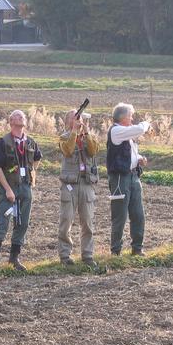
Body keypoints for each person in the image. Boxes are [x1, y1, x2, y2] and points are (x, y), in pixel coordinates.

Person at [0, 109, 42, 272]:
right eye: (16, 116)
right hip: (9, 187)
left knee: (23, 223)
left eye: (22, 116)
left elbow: (37, 159)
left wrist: (32, 174)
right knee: (3, 222)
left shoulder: (30, 142)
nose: (20, 117)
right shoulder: (2, 142)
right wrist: (8, 189)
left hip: (25, 187)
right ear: (10, 122)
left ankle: (14, 258)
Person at [106, 103, 151, 256]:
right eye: (130, 116)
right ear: (123, 117)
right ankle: (116, 251)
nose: (132, 119)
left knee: (138, 214)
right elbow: (139, 129)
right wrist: (146, 123)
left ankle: (137, 248)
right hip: (120, 178)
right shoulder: (116, 131)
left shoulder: (124, 133)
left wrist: (139, 159)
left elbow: (129, 154)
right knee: (120, 216)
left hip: (133, 175)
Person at [57, 108, 100, 267]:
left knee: (87, 222)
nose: (77, 120)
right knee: (66, 220)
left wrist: (86, 133)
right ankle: (65, 255)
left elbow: (93, 151)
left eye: (79, 118)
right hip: (70, 184)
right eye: (73, 118)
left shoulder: (89, 137)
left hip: (86, 183)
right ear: (67, 121)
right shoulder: (64, 137)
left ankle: (87, 255)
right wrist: (74, 132)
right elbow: (68, 150)